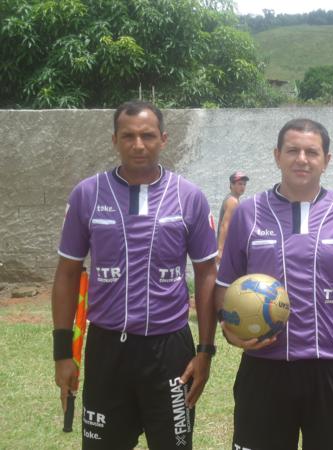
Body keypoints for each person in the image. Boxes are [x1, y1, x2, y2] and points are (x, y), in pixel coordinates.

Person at [51, 100, 218, 449]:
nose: (138, 145)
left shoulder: (189, 197)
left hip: (170, 350)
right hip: (108, 348)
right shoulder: (87, 194)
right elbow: (67, 274)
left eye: (148, 135)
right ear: (115, 140)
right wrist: (63, 353)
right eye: (128, 136)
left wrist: (205, 351)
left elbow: (206, 275)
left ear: (164, 139)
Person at [216, 118, 333, 450]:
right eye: (292, 151)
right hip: (265, 367)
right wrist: (229, 329)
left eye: (311, 152)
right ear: (277, 156)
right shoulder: (249, 213)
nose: (302, 159)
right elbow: (224, 285)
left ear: (326, 160)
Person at [216, 171, 249, 265]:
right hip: (227, 249)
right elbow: (224, 226)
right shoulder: (232, 201)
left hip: (230, 247)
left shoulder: (233, 199)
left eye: (244, 184)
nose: (242, 187)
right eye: (239, 184)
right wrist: (220, 250)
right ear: (231, 185)